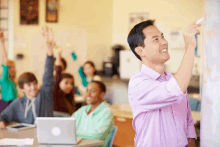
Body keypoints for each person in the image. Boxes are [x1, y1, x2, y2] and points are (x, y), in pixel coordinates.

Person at [127, 20, 200, 147]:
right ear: (140, 51)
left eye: (162, 37)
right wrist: (190, 47)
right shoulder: (138, 83)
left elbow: (187, 120)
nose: (164, 42)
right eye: (155, 39)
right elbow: (175, 89)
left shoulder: (173, 79)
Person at [0, 26, 55, 129]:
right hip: (26, 139)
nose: (33, 87)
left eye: (34, 83)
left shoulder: (44, 95)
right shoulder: (19, 103)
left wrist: (49, 49)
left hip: (46, 136)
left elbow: (48, 74)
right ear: (22, 89)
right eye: (28, 85)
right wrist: (2, 121)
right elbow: (3, 116)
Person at [71, 81, 114, 147]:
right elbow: (68, 125)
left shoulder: (107, 112)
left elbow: (97, 136)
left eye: (93, 91)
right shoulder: (82, 110)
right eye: (87, 91)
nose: (88, 94)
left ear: (102, 95)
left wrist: (74, 133)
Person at [53, 46, 77, 114]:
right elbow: (57, 73)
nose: (69, 86)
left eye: (71, 83)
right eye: (66, 83)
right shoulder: (55, 94)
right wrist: (58, 54)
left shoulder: (69, 98)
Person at [0, 31, 17, 104]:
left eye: (13, 67)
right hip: (7, 104)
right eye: (10, 67)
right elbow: (5, 58)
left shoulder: (12, 81)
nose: (13, 69)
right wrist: (2, 42)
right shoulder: (4, 79)